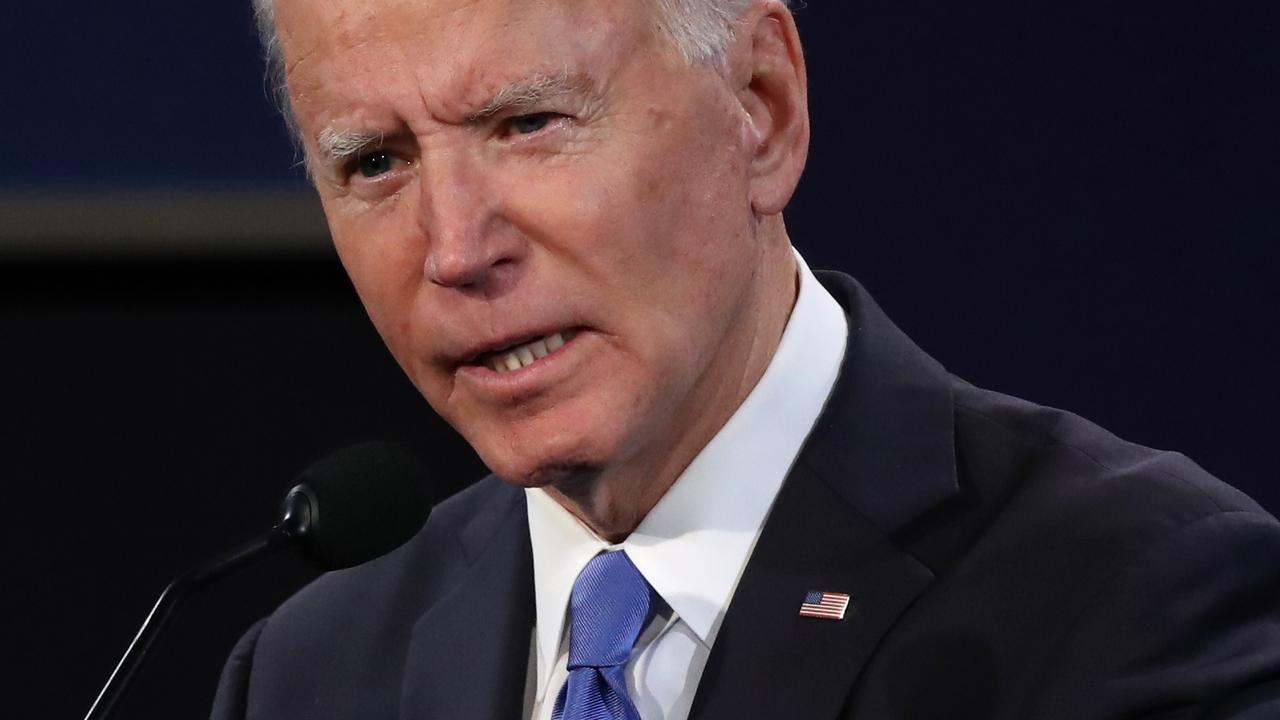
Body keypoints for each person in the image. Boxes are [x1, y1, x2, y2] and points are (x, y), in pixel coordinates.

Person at [212, 0, 1280, 717]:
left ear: (759, 111)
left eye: (529, 123)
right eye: (374, 162)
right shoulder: (312, 673)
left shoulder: (1133, 599)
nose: (454, 250)